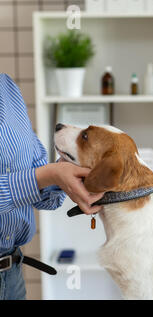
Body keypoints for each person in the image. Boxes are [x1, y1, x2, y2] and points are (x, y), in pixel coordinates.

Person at [0, 73, 104, 300]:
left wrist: (63, 172)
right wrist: (52, 174)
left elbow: (41, 187)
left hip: (11, 273)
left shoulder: (6, 88)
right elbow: (39, 175)